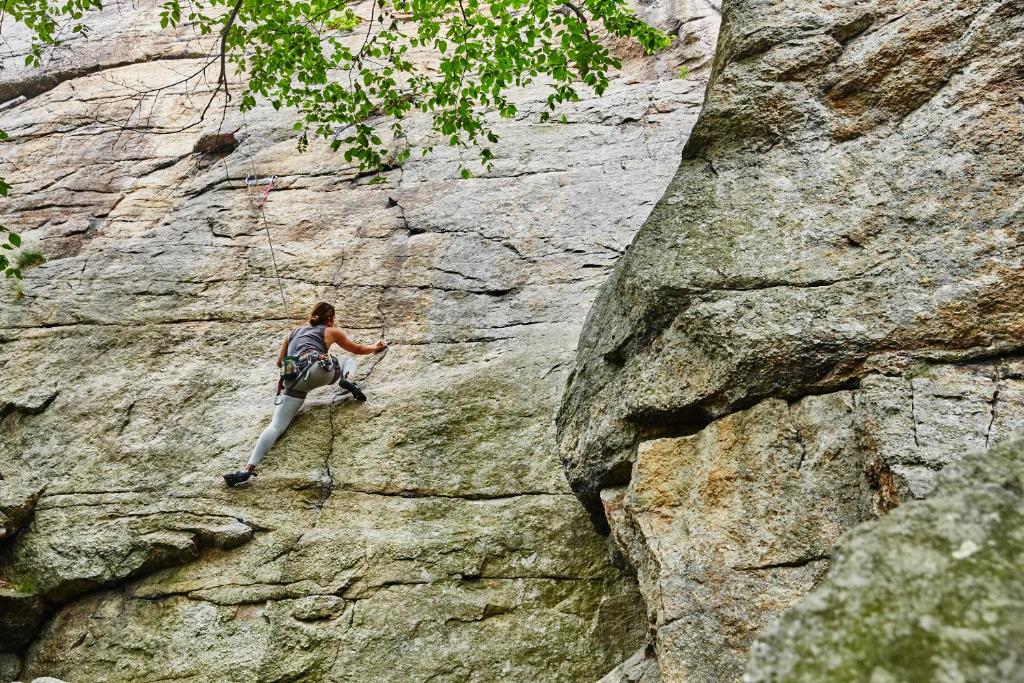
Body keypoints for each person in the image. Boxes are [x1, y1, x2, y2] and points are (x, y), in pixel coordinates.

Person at [224, 302, 387, 486]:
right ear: (330, 318)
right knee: (346, 360)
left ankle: (247, 469)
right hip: (318, 369)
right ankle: (348, 378)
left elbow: (279, 363)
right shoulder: (331, 331)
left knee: (276, 426)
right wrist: (375, 347)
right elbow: (356, 349)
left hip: (292, 381)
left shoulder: (291, 334)